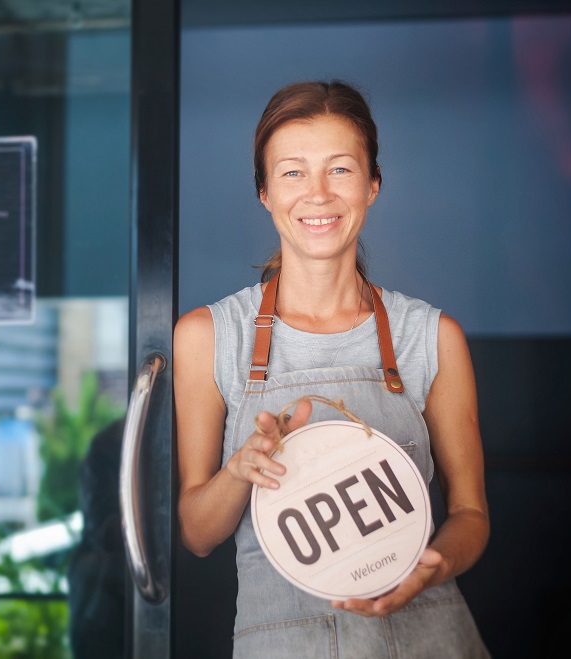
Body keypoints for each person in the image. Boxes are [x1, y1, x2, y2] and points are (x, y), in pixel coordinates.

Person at [174, 80, 491, 657]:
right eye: (293, 172)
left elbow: (470, 515)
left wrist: (430, 567)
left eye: (340, 170)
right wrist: (241, 468)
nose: (317, 194)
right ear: (264, 192)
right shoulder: (209, 337)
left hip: (427, 635)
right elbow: (197, 533)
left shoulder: (432, 337)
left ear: (372, 185)